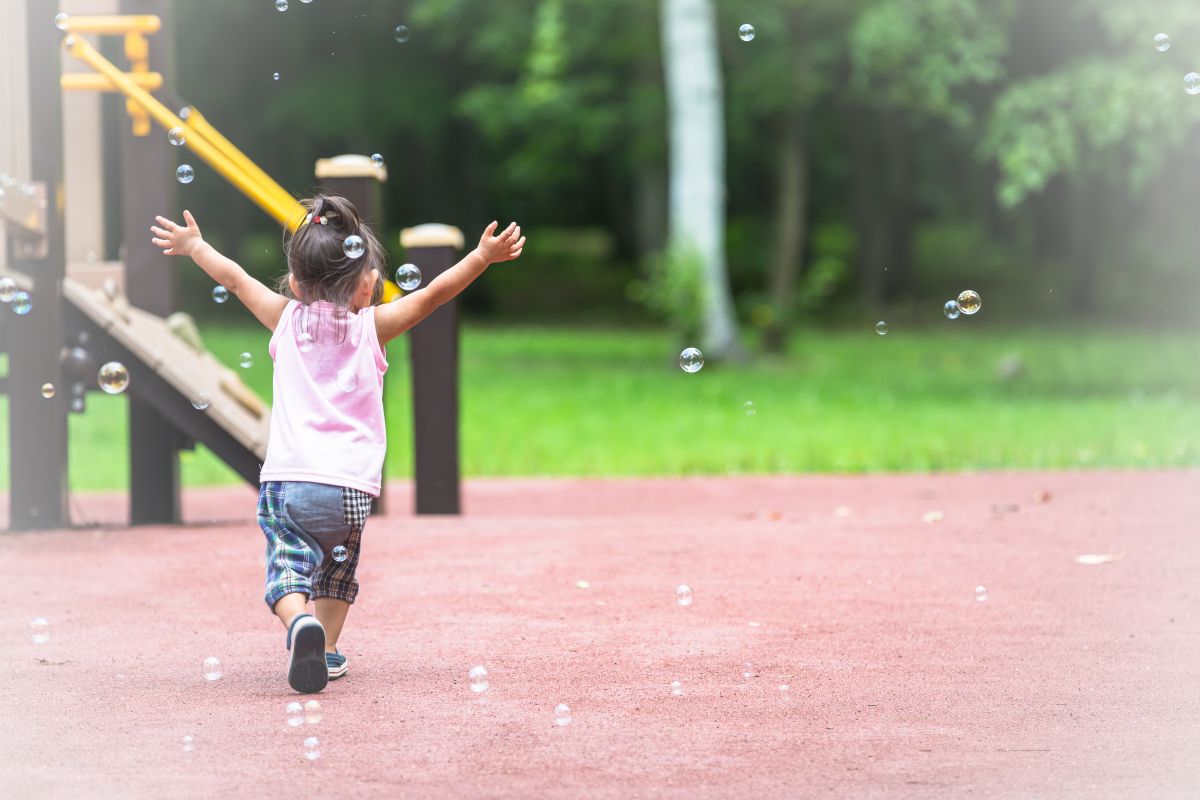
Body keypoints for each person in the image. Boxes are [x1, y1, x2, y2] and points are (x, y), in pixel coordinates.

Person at [151, 195, 524, 693]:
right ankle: (324, 648)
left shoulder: (284, 318)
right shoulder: (374, 327)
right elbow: (432, 296)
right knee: (338, 570)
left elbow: (236, 278)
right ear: (369, 285)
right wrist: (481, 257)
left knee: (288, 563)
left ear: (298, 283)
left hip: (289, 481)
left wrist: (195, 246)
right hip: (350, 489)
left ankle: (298, 622)